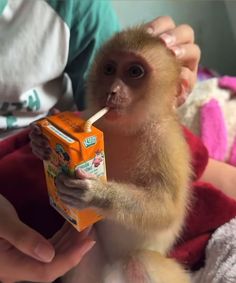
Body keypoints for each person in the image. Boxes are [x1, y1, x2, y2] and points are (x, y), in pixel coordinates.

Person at [0, 0, 201, 282]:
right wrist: (48, 147)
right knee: (80, 249)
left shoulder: (162, 135)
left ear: (175, 89)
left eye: (135, 73)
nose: (114, 89)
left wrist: (102, 195)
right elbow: (73, 160)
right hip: (88, 239)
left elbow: (165, 209)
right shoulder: (91, 119)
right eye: (108, 71)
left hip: (137, 252)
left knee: (142, 269)